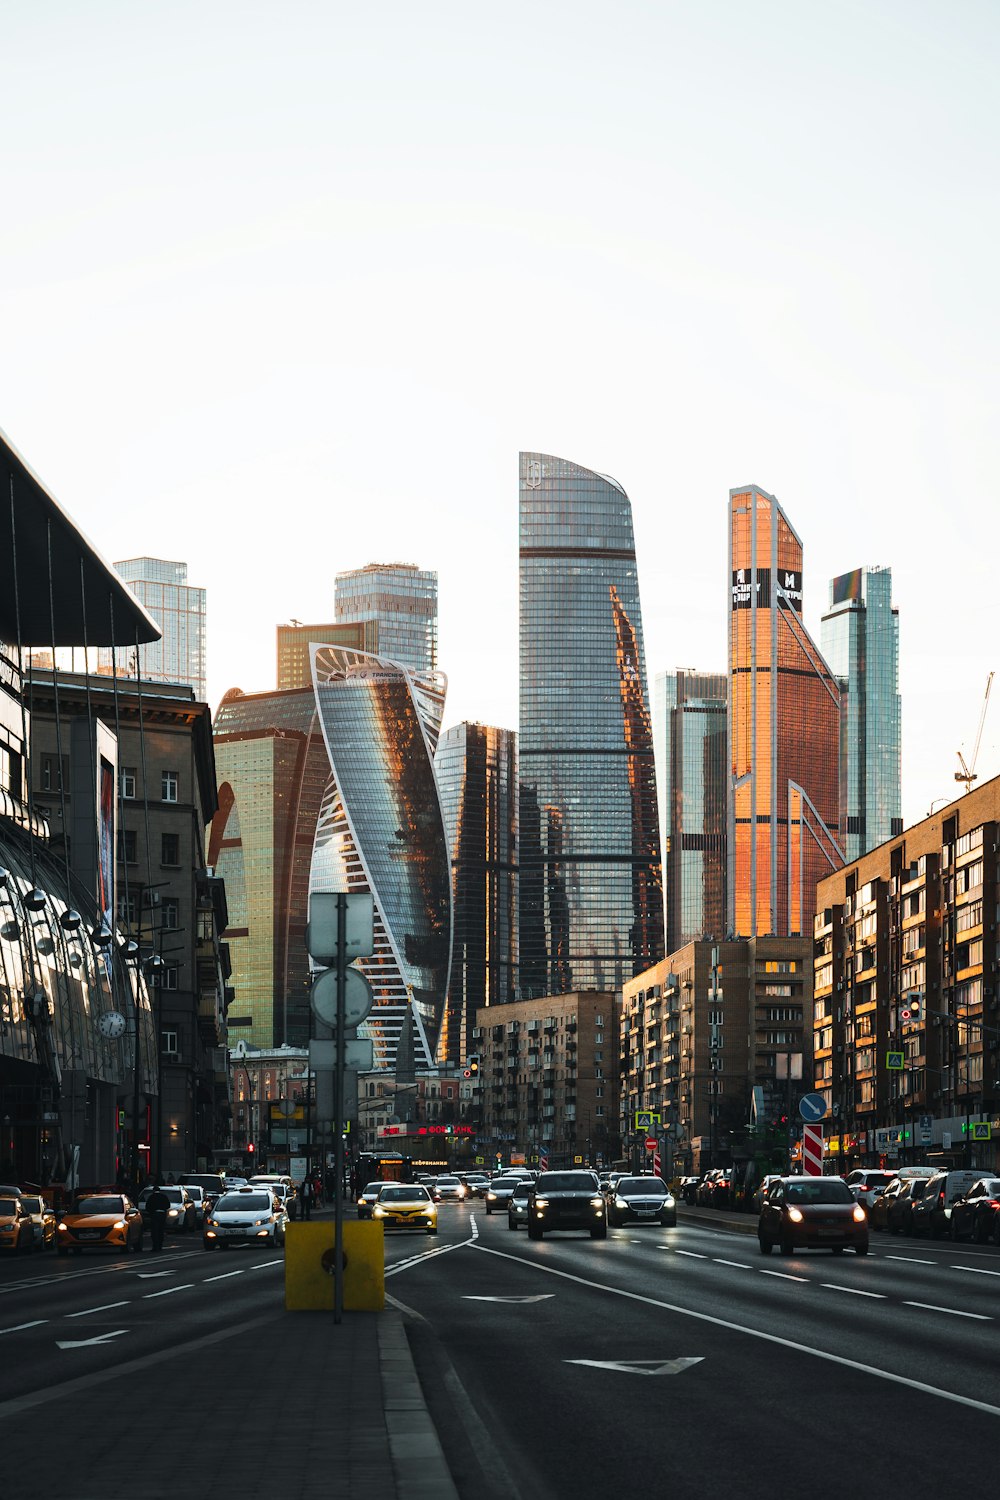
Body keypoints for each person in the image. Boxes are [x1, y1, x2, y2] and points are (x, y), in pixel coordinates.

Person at [145, 1179, 171, 1252]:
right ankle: (160, 1245)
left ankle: (155, 1246)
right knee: (161, 1230)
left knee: (154, 1231)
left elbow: (148, 1207)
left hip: (155, 1215)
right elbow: (168, 1205)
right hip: (162, 1214)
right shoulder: (163, 1197)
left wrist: (151, 1212)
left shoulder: (151, 1197)